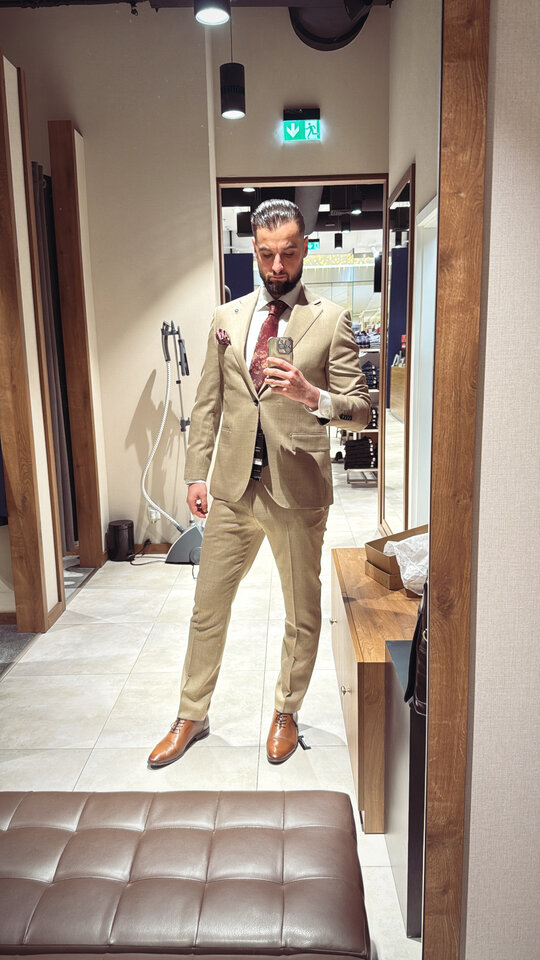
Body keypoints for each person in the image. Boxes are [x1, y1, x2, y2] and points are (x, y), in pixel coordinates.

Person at [148, 199, 370, 768]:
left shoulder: (331, 319)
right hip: (232, 490)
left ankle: (286, 711)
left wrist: (313, 396)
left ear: (304, 249)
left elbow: (362, 410)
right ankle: (191, 714)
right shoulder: (227, 317)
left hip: (297, 489)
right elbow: (209, 402)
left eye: (288, 253)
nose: (277, 266)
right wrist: (196, 473)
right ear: (254, 250)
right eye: (267, 254)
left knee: (301, 612)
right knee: (207, 608)